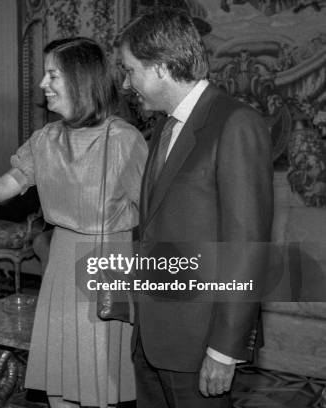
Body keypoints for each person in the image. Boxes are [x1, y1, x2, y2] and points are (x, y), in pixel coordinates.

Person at [0, 37, 147, 408]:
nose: (43, 85)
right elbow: (1, 187)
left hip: (108, 264)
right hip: (60, 263)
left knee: (99, 384)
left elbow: (154, 216)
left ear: (80, 79)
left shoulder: (123, 140)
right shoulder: (46, 139)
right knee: (60, 384)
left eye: (52, 75)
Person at [119, 8, 273, 408]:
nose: (125, 82)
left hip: (198, 344)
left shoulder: (234, 123)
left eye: (130, 70)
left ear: (161, 68)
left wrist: (223, 350)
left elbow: (246, 247)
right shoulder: (164, 128)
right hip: (152, 339)